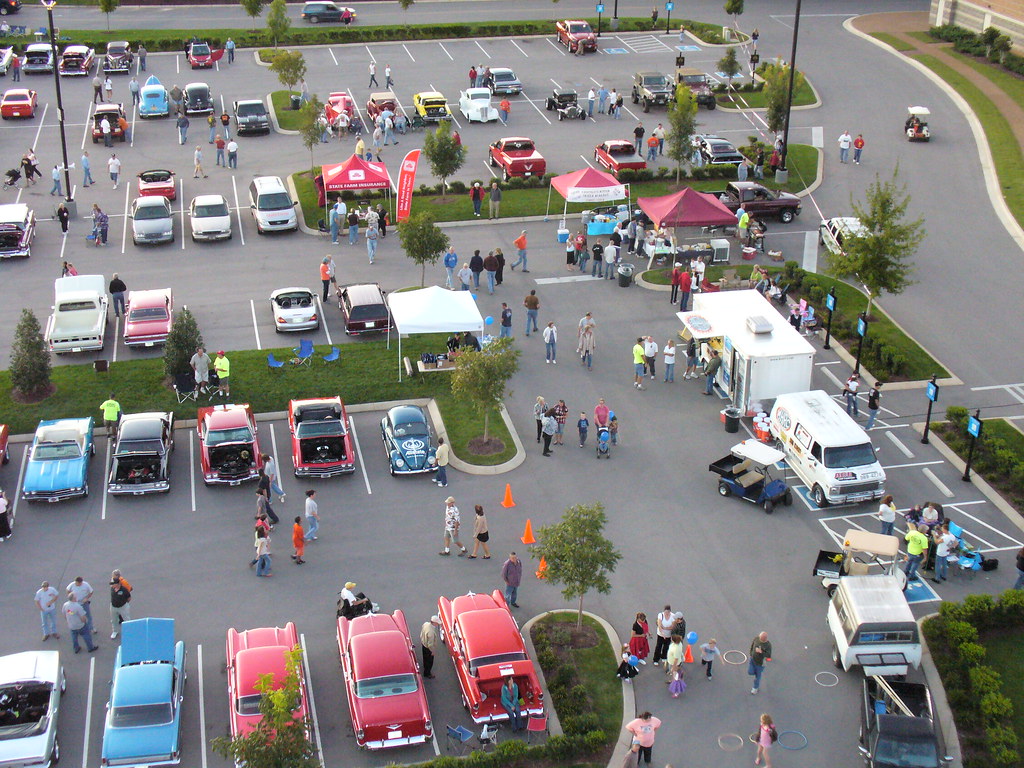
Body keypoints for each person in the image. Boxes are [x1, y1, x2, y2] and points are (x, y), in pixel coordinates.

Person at [108, 570, 133, 639]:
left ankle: (129, 631)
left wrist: (124, 604)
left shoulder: (124, 590)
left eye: (113, 583)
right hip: (113, 606)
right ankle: (115, 631)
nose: (112, 585)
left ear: (118, 584)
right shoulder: (112, 588)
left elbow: (129, 598)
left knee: (126, 619)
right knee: (114, 620)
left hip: (122, 607)